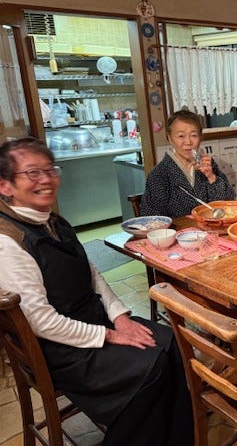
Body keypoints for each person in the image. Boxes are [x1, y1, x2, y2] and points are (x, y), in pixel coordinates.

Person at [0, 138, 194, 446]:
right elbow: (41, 322)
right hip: (61, 351)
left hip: (92, 322)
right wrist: (110, 335)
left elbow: (90, 274)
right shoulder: (9, 242)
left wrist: (120, 318)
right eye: (33, 173)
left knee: (171, 342)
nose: (46, 180)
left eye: (50, 170)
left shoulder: (52, 220)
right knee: (152, 367)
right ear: (5, 186)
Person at [140, 109, 235, 217]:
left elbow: (228, 202)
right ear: (170, 138)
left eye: (194, 135)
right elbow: (152, 218)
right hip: (177, 227)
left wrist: (211, 177)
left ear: (200, 137)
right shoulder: (159, 174)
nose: (188, 142)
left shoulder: (208, 164)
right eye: (181, 136)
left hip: (210, 225)